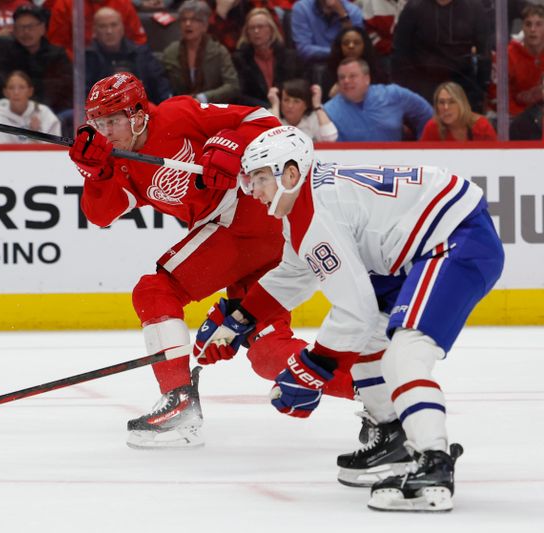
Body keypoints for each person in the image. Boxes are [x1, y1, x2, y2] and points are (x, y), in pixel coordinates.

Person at [199, 124, 503, 511]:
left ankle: (434, 463)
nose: (251, 190)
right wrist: (239, 319)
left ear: (290, 173)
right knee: (370, 343)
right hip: (421, 246)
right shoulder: (307, 204)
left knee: (404, 356)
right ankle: (393, 436)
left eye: (259, 178)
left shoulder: (314, 212)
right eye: (248, 180)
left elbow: (353, 309)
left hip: (454, 239)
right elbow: (295, 273)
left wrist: (314, 367)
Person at [66, 71, 317, 449]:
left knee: (154, 291)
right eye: (98, 124)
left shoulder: (178, 114)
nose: (105, 132)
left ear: (137, 115)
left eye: (112, 121)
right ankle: (371, 390)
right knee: (268, 353)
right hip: (255, 243)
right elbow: (100, 215)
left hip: (245, 216)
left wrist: (230, 143)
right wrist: (97, 174)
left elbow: (262, 122)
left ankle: (179, 400)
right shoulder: (118, 161)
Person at [392, 0, 490, 113]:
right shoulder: (414, 7)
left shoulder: (474, 7)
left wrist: (482, 89)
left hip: (463, 83)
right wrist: (401, 91)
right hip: (422, 84)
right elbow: (400, 51)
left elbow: (484, 52)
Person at [0, 4, 73, 113]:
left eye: (31, 26)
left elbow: (63, 88)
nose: (26, 32)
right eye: (21, 27)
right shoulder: (5, 54)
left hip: (52, 111)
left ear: (43, 28)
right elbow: (0, 84)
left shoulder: (57, 54)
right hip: (14, 110)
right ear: (13, 29)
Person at [324, 57, 432, 141]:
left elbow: (427, 115)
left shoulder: (394, 95)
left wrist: (421, 148)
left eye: (352, 76)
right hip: (350, 167)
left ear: (367, 79)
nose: (346, 81)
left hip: (395, 164)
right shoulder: (328, 111)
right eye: (342, 77)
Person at [85, 6, 171, 104]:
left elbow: (161, 87)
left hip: (142, 111)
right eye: (103, 26)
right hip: (100, 113)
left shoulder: (141, 54)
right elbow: (83, 96)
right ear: (94, 31)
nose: (109, 31)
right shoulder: (87, 57)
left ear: (122, 28)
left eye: (114, 25)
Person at [161, 0, 240, 104]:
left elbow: (233, 86)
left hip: (212, 108)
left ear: (205, 25)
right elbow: (162, 86)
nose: (188, 24)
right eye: (184, 20)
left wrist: (202, 98)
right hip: (180, 108)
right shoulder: (170, 52)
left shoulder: (219, 52)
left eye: (194, 20)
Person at [232, 7, 299, 108]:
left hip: (287, 110)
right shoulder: (240, 59)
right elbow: (239, 95)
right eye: (252, 28)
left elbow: (298, 86)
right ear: (247, 33)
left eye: (260, 26)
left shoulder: (289, 56)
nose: (256, 31)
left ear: (271, 29)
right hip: (256, 112)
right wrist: (267, 108)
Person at [46, 0, 147, 60]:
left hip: (120, 62)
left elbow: (137, 41)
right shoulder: (65, 4)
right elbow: (57, 46)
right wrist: (79, 63)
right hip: (79, 67)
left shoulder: (122, 3)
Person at [0, 70, 61, 144]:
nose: (16, 92)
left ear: (30, 91)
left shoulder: (44, 113)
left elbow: (56, 147)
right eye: (11, 88)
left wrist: (36, 134)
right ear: (5, 92)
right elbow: (1, 153)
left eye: (22, 87)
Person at [290, 0, 364, 63]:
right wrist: (339, 52)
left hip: (347, 62)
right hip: (316, 64)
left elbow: (356, 47)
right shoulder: (302, 9)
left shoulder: (353, 11)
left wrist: (343, 15)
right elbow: (304, 49)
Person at [324, 25, 387, 99]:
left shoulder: (376, 69)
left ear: (365, 46)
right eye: (346, 43)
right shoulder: (330, 70)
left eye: (356, 43)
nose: (351, 46)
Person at [420, 81, 497, 141]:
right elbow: (422, 159)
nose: (446, 107)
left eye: (452, 102)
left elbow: (495, 158)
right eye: (441, 102)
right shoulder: (432, 127)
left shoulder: (482, 126)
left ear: (462, 104)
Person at [267, 79, 338, 141]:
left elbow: (330, 138)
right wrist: (275, 105)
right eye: (286, 100)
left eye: (296, 101)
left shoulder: (313, 117)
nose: (290, 105)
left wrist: (317, 105)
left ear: (306, 105)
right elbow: (273, 140)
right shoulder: (271, 114)